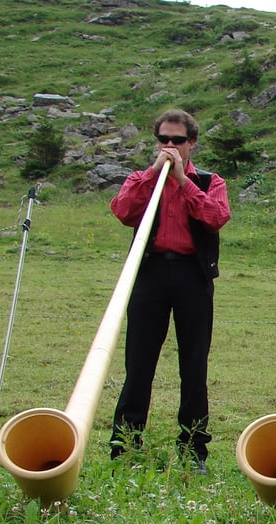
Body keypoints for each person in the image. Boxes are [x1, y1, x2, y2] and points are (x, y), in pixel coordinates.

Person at [109, 108, 231, 475]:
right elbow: (123, 210)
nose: (170, 146)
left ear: (191, 143)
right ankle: (125, 447)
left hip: (193, 277)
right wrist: (153, 176)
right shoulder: (141, 178)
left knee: (193, 366)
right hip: (150, 274)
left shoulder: (210, 182)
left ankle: (193, 449)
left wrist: (183, 180)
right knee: (139, 364)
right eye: (164, 140)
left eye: (178, 141)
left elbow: (216, 217)